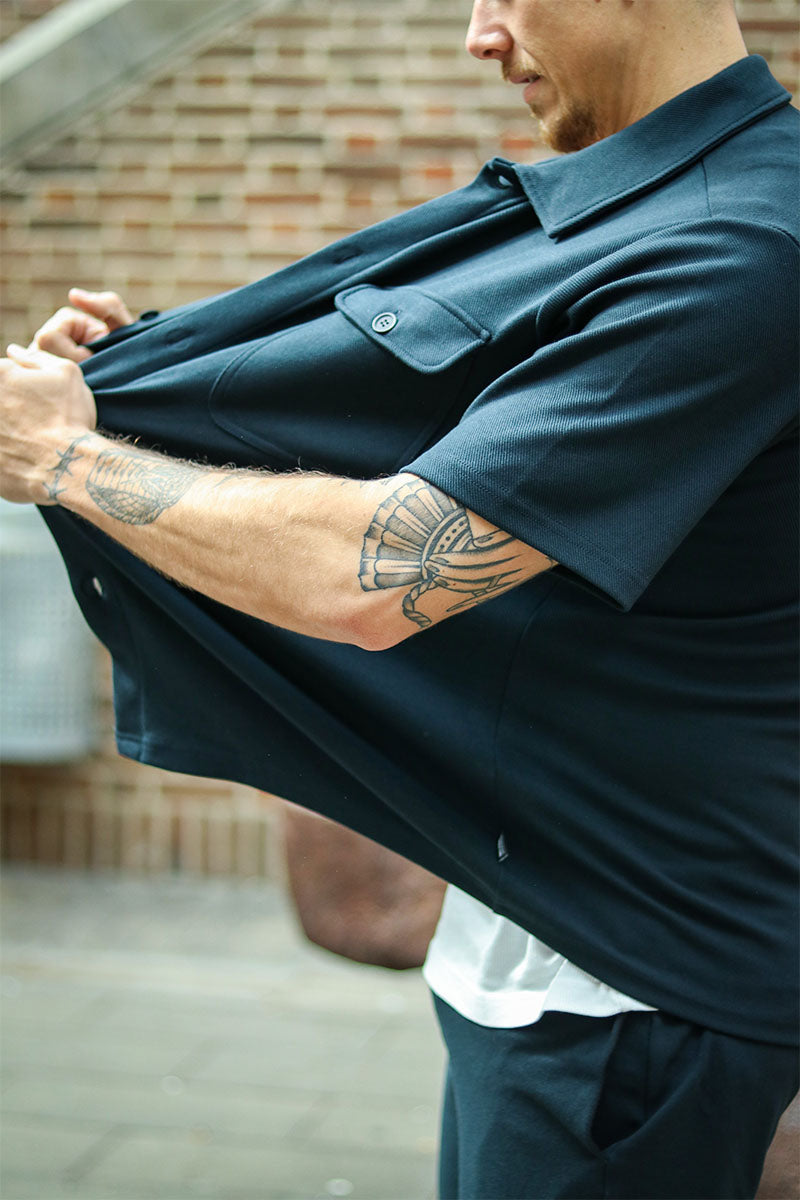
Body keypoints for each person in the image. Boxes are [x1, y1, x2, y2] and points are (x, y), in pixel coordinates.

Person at [1, 1, 797, 1195]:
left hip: (631, 994)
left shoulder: (737, 248)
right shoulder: (630, 210)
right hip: (544, 937)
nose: (479, 34)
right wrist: (133, 396)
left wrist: (66, 458)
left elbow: (373, 571)